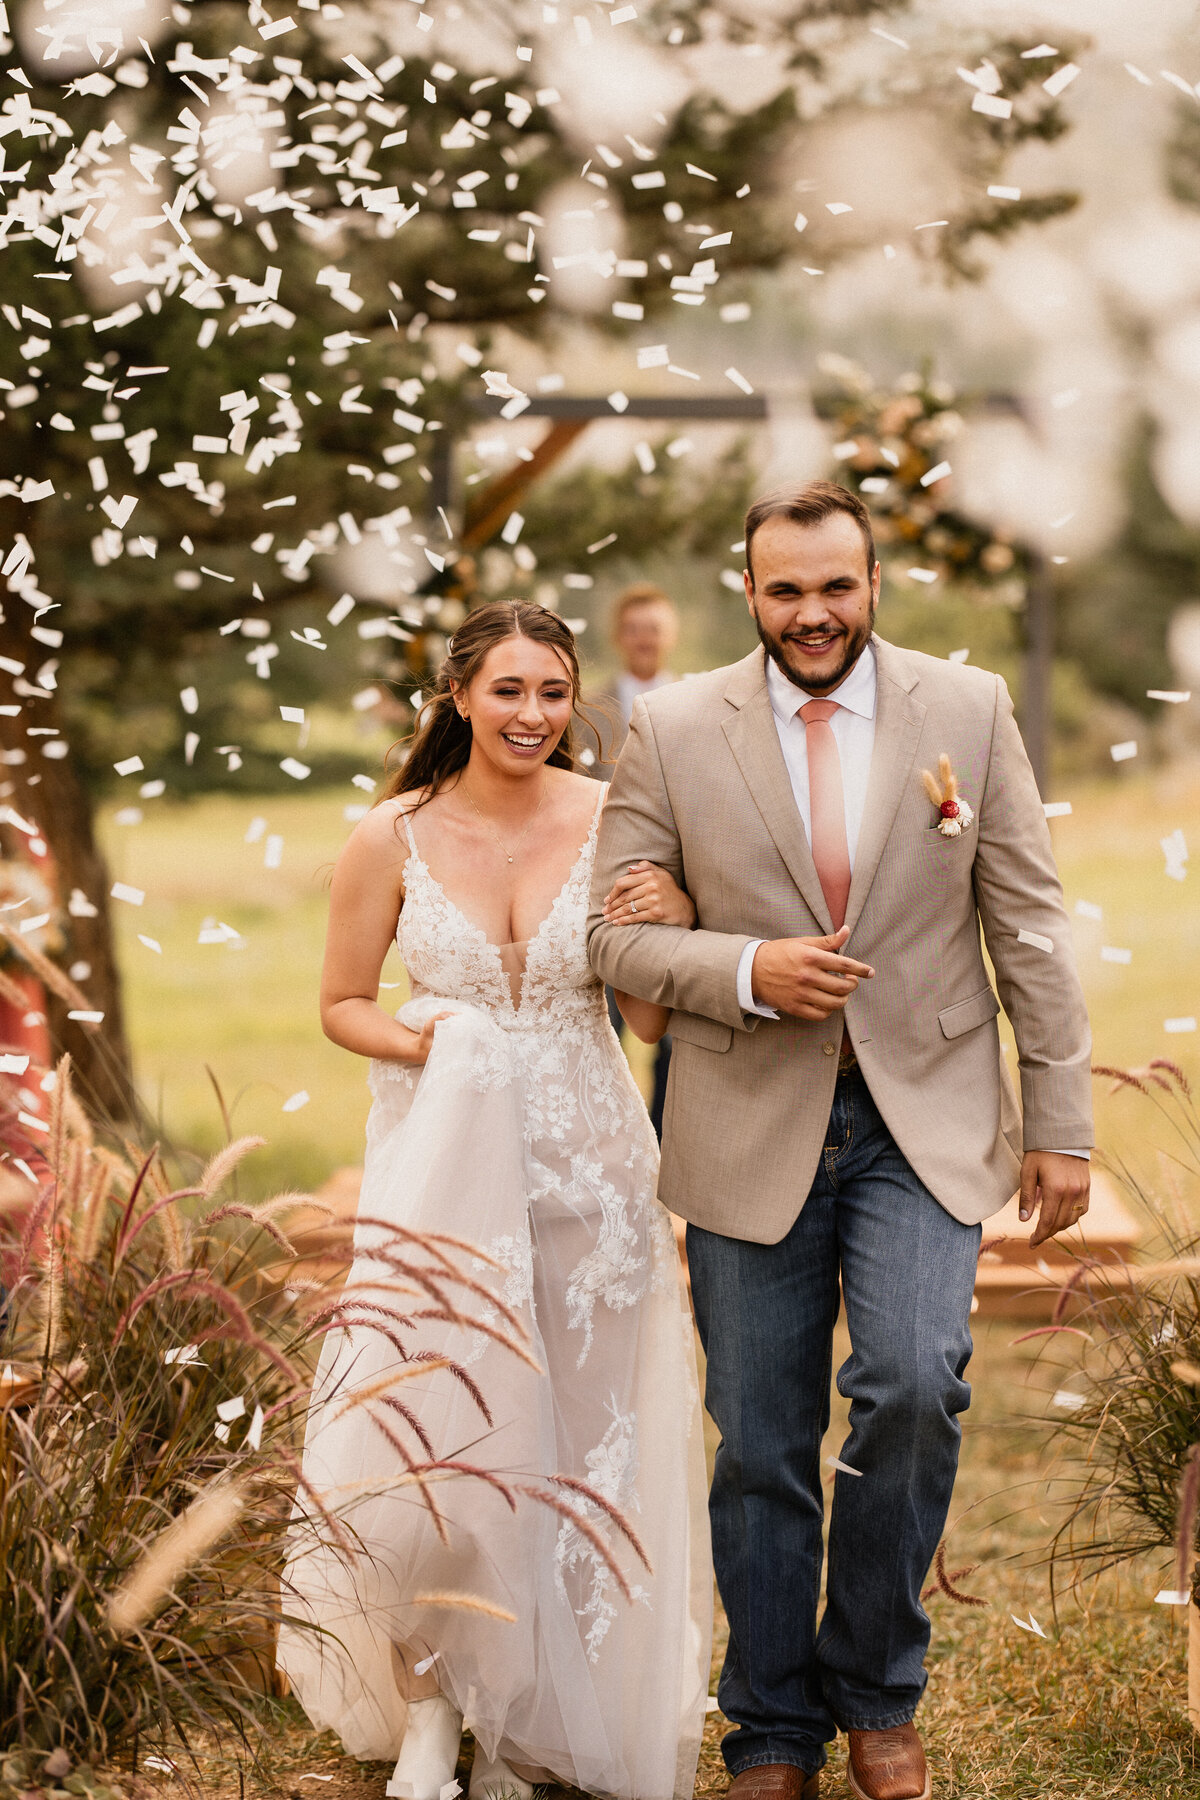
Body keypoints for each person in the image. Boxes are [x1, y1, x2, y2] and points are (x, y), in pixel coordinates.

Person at [588, 481, 1093, 1800]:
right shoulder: (673, 727)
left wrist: (1063, 1119)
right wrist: (750, 965)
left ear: (874, 584)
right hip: (747, 1115)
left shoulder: (967, 714)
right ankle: (767, 1725)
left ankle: (877, 1691)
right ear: (746, 593)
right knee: (758, 1439)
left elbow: (1027, 921)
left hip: (921, 1119)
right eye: (784, 590)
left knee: (915, 1386)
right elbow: (612, 935)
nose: (812, 614)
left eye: (836, 586)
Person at [278, 601, 711, 1800]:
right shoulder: (393, 836)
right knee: (439, 1441)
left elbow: (652, 1018)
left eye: (554, 693)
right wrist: (440, 1041)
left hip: (595, 1179)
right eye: (509, 691)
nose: (533, 715)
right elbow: (342, 1003)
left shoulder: (617, 820)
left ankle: (545, 1708)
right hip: (446, 1175)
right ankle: (431, 1707)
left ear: (577, 702)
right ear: (460, 696)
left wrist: (674, 924)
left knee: (584, 1442)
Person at [589, 583, 681, 1137]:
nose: (645, 639)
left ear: (670, 636)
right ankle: (610, 1137)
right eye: (635, 628)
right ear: (619, 637)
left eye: (655, 628)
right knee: (605, 1026)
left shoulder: (698, 704)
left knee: (673, 1033)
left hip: (675, 897)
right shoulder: (587, 708)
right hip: (599, 893)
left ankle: (664, 1138)